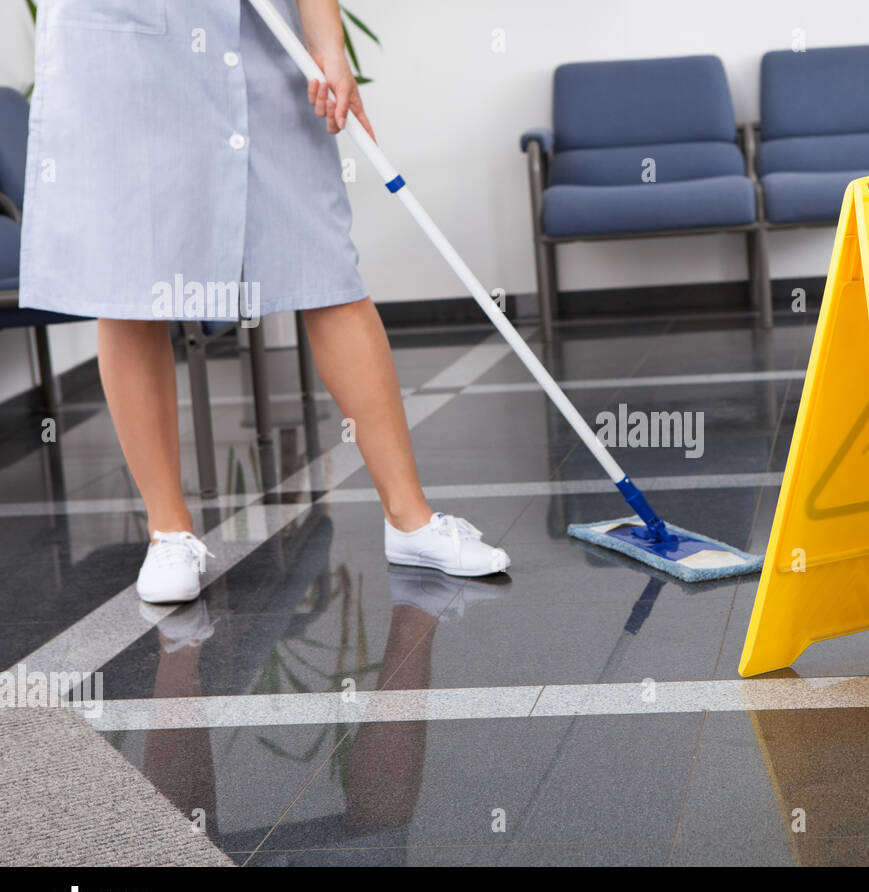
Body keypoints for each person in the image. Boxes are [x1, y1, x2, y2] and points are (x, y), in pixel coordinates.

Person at [20, 0, 509, 603]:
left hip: (259, 31)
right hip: (127, 37)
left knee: (326, 267)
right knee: (133, 281)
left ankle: (409, 519)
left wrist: (328, 42)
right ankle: (168, 533)